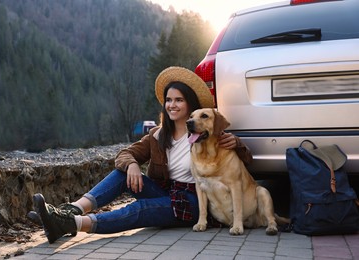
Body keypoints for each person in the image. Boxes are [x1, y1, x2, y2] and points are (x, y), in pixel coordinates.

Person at [30, 66, 253, 244]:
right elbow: (125, 154)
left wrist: (237, 144)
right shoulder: (157, 135)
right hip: (165, 192)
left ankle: (72, 223)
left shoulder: (208, 133)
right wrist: (133, 165)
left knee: (139, 209)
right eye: (168, 100)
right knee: (121, 173)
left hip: (194, 202)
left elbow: (246, 164)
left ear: (190, 104)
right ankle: (72, 210)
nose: (172, 105)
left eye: (179, 100)